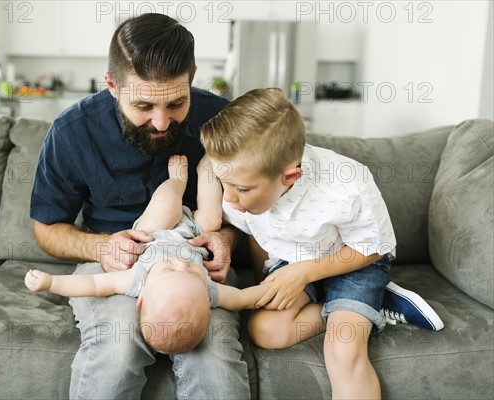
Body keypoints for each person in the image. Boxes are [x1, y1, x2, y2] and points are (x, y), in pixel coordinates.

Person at [30, 13, 249, 399]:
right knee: (117, 349)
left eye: (177, 103)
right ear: (112, 85)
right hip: (113, 262)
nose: (162, 122)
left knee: (213, 358)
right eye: (144, 105)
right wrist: (100, 247)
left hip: (195, 265)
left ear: (192, 77)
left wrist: (227, 238)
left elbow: (258, 208)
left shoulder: (223, 121)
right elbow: (47, 228)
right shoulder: (72, 132)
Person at [200, 87, 443, 399]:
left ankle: (362, 303)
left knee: (343, 350)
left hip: (354, 263)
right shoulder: (243, 189)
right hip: (293, 261)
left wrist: (303, 274)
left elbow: (373, 247)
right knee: (264, 330)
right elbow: (259, 235)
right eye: (224, 184)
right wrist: (272, 280)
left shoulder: (346, 185)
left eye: (241, 189)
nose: (230, 199)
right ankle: (373, 308)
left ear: (290, 177)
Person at [26, 155, 269, 355]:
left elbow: (93, 283)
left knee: (165, 208)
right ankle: (208, 165)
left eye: (168, 270)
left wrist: (50, 282)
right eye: (193, 272)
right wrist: (283, 282)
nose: (181, 263)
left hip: (154, 232)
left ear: (142, 297)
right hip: (195, 233)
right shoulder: (211, 292)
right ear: (207, 302)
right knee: (212, 218)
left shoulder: (137, 280)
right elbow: (245, 297)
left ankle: (176, 181)